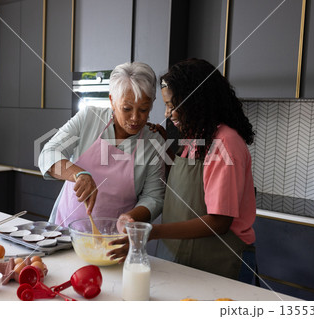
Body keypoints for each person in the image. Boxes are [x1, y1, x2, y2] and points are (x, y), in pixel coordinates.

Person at [110, 58, 257, 283]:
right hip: (184, 258)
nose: (168, 114)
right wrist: (162, 146)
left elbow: (219, 221)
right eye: (167, 105)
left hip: (219, 262)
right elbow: (186, 187)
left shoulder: (225, 142)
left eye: (173, 105)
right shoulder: (195, 137)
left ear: (197, 100)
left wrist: (151, 231)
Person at [38, 62, 166, 227]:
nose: (135, 117)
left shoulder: (153, 143)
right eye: (127, 109)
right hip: (64, 231)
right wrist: (79, 174)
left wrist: (131, 217)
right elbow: (48, 153)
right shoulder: (88, 118)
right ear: (112, 101)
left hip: (111, 241)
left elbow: (154, 197)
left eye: (143, 110)